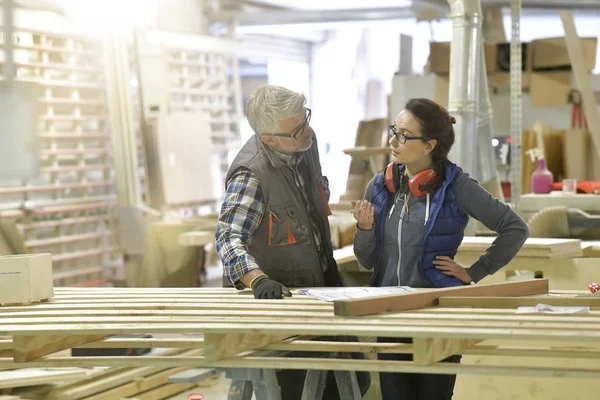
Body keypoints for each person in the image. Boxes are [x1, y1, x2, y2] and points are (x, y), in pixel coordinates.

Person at [352, 98, 529, 400]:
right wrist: (365, 230)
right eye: (394, 130)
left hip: (436, 316)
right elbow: (367, 261)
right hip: (389, 316)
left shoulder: (456, 186)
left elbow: (515, 229)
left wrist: (474, 272)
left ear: (429, 145)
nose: (393, 140)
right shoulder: (380, 187)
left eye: (404, 135)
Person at [215, 84, 370, 399]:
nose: (308, 131)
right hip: (282, 301)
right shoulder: (251, 175)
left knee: (357, 378)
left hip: (321, 286)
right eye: (297, 128)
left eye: (306, 118)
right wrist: (257, 280)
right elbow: (228, 237)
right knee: (300, 390)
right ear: (269, 139)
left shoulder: (303, 146)